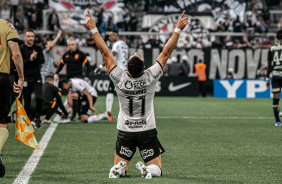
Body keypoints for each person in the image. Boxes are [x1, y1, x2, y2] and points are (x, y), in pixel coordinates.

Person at [85, 10, 188, 178]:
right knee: (158, 169)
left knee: (120, 166)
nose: (135, 53)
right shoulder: (151, 76)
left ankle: (118, 170)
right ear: (144, 67)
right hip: (147, 130)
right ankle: (149, 170)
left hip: (125, 130)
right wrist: (177, 29)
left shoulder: (119, 77)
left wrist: (93, 29)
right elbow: (167, 51)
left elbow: (104, 52)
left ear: (126, 67)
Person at [0, 18, 24, 177]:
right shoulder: (6, 25)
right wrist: (21, 78)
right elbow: (15, 53)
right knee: (2, 121)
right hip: (1, 78)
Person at [54, 37, 90, 121]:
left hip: (78, 78)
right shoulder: (65, 55)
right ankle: (74, 115)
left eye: (72, 44)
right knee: (72, 97)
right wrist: (56, 73)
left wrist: (87, 76)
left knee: (76, 97)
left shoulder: (81, 54)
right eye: (69, 45)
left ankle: (75, 114)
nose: (71, 46)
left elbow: (88, 66)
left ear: (76, 45)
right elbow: (61, 66)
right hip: (69, 79)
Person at [20, 29, 45, 128]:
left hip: (37, 77)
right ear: (25, 38)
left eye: (32, 36)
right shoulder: (21, 48)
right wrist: (30, 59)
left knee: (39, 98)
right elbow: (20, 63)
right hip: (26, 77)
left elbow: (42, 61)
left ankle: (38, 118)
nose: (31, 38)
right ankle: (29, 119)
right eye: (29, 36)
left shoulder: (38, 48)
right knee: (27, 101)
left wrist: (36, 57)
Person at [266, 30, 282, 126]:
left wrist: (267, 79)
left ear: (276, 37)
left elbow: (269, 66)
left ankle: (277, 121)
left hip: (275, 75)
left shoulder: (271, 48)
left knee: (276, 100)